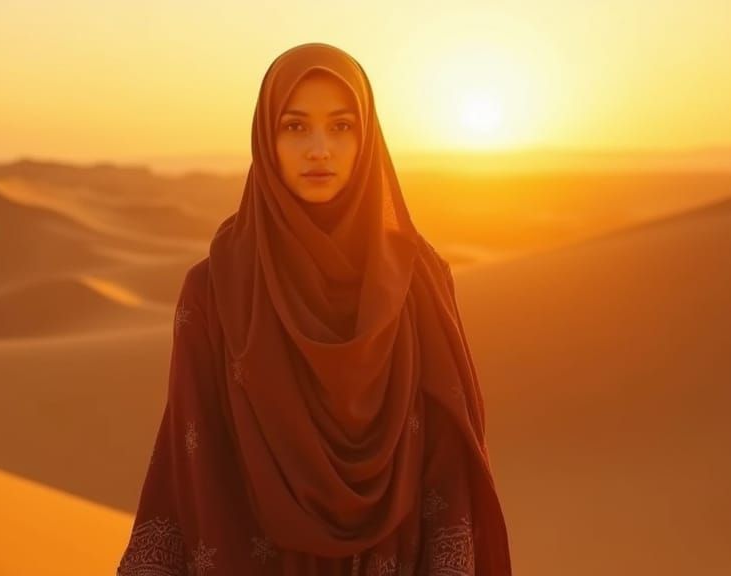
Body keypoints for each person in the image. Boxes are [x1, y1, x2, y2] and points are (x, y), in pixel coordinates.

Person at [117, 42, 512, 576]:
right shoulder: (215, 289)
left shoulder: (421, 282)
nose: (319, 149)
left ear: (368, 139)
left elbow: (449, 473)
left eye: (342, 127)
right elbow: (194, 464)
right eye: (296, 127)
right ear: (266, 138)